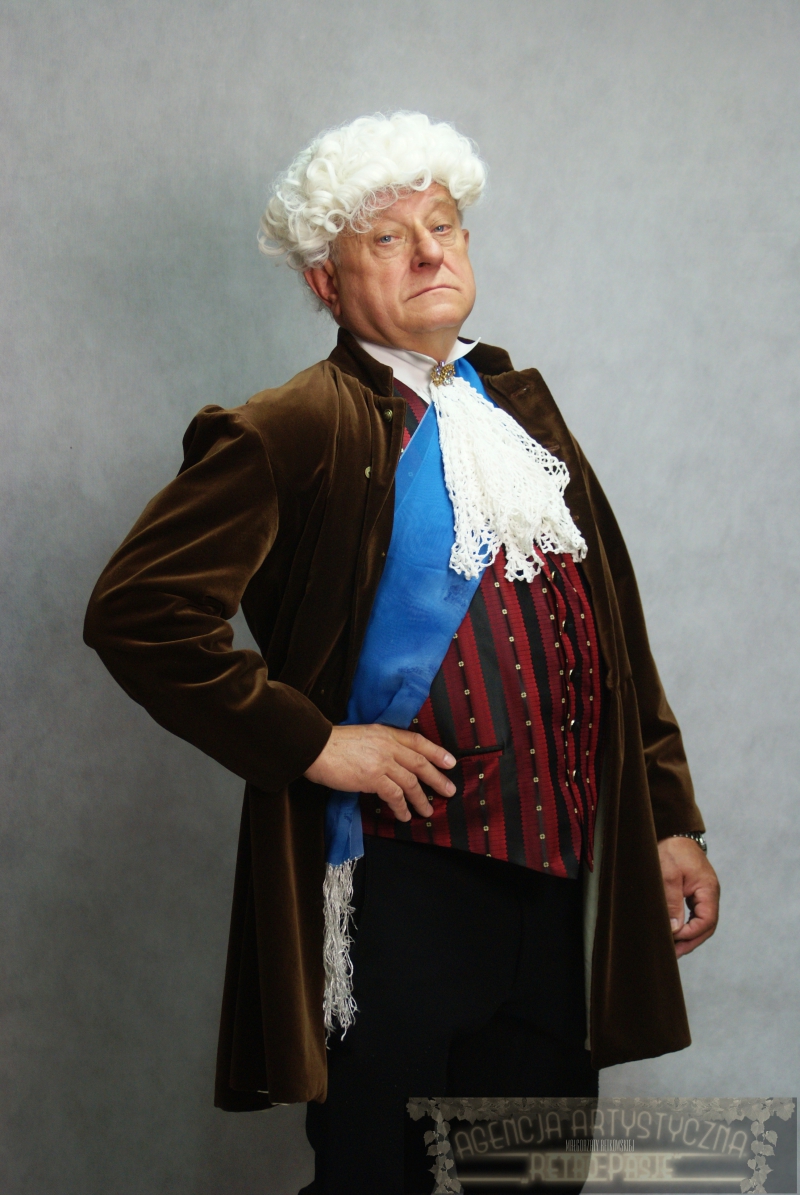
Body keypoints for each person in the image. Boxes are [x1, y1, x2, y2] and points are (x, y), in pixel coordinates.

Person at [83, 112, 720, 1194]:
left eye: (444, 226)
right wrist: (313, 741)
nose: (430, 253)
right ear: (325, 282)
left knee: (530, 1177)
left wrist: (664, 817)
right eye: (388, 238)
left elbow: (616, 634)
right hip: (397, 886)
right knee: (381, 1177)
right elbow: (139, 612)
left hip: (561, 882)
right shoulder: (292, 424)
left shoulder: (521, 413)